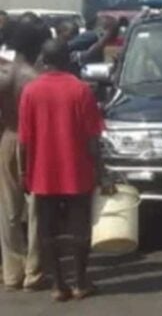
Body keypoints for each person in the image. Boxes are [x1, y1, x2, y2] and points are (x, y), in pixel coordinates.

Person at [19, 40, 110, 302]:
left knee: (47, 230)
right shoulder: (81, 90)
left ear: (43, 61)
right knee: (80, 228)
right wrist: (102, 171)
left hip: (42, 172)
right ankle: (80, 282)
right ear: (67, 59)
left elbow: (25, 139)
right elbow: (93, 139)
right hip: (77, 170)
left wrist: (25, 173)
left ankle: (58, 285)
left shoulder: (31, 91)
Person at [0, 19, 46, 292]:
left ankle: (11, 272)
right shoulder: (36, 78)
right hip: (35, 142)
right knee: (37, 207)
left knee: (8, 210)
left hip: (7, 138)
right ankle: (34, 271)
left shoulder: (4, 73)